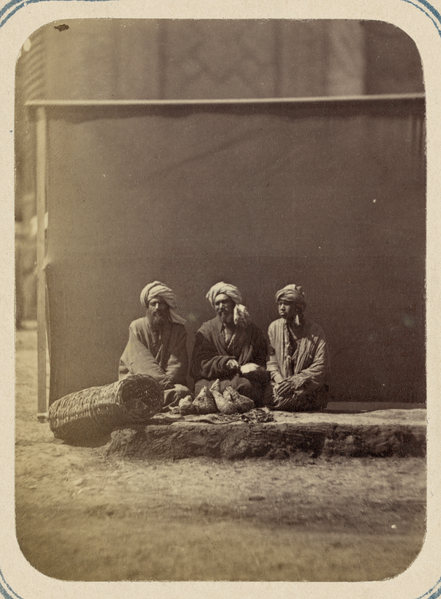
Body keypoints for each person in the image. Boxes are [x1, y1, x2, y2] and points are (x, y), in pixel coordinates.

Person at [190, 282, 268, 402]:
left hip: (241, 380)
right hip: (215, 380)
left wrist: (252, 369)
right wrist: (224, 362)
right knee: (201, 388)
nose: (221, 306)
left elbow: (261, 361)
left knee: (249, 387)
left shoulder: (252, 330)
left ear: (234, 303)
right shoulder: (206, 330)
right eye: (217, 303)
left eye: (225, 302)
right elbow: (198, 365)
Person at [119, 281, 191, 406]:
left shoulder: (178, 330)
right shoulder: (136, 327)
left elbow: (177, 366)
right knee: (129, 393)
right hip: (141, 382)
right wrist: (161, 384)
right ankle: (156, 400)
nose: (157, 307)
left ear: (167, 306)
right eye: (153, 303)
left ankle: (151, 402)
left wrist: (163, 384)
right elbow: (140, 362)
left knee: (182, 391)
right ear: (147, 307)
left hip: (167, 384)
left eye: (161, 303)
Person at [265, 284, 329, 411]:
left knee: (315, 397)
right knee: (269, 397)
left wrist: (294, 382)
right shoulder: (274, 328)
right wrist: (281, 383)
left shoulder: (316, 331)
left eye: (286, 303)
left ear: (298, 307)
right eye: (279, 304)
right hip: (281, 386)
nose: (281, 308)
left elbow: (321, 365)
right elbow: (271, 362)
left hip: (306, 388)